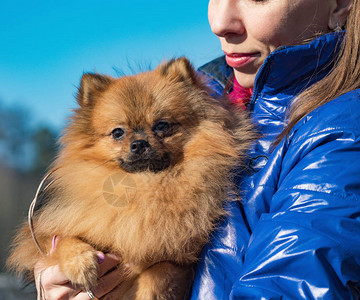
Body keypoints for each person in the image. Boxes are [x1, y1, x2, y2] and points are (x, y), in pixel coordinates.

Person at [34, 0, 360, 298]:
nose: (220, 22)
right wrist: (55, 271)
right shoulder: (215, 91)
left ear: (340, 5)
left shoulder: (342, 138)